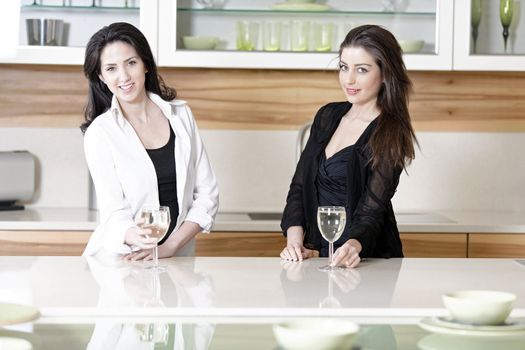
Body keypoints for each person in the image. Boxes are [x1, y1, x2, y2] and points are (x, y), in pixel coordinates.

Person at [280, 24, 418, 268]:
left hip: (365, 258)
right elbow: (299, 186)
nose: (349, 79)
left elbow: (371, 211)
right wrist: (294, 241)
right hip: (318, 256)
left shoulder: (390, 132)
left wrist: (352, 246)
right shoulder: (327, 115)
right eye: (344, 67)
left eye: (362, 69)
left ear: (385, 74)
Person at [81, 22, 218, 260]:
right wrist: (134, 235)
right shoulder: (100, 133)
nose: (123, 76)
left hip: (176, 256)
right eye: (111, 69)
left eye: (131, 63)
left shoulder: (181, 116)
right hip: (124, 258)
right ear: (101, 77)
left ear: (145, 64)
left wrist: (171, 245)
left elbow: (207, 193)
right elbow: (113, 211)